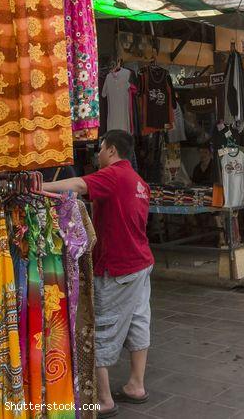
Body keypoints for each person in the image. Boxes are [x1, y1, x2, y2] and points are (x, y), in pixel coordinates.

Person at [42, 130, 154, 416]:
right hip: (141, 261)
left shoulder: (113, 174)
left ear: (113, 151)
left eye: (100, 148)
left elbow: (79, 185)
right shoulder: (139, 182)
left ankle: (104, 400)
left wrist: (41, 185)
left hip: (119, 266)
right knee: (138, 321)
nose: (98, 154)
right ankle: (135, 386)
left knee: (102, 327)